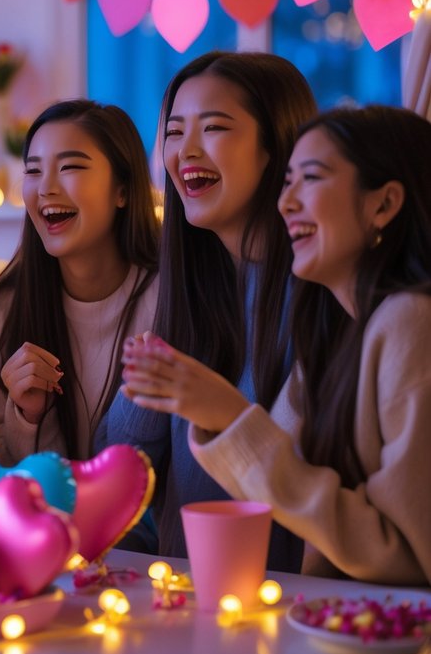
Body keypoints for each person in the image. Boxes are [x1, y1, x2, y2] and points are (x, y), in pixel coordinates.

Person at [125, 105, 431, 585]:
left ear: (384, 205)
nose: (286, 203)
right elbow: (276, 476)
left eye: (311, 179)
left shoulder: (411, 322)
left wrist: (228, 417)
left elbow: (411, 558)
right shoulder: (336, 330)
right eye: (287, 183)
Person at [104, 51, 316, 572]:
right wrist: (144, 382)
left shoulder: (322, 296)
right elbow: (122, 475)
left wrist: (219, 410)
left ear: (277, 147)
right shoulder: (192, 290)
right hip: (189, 603)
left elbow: (312, 494)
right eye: (174, 133)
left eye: (214, 127)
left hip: (292, 611)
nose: (186, 152)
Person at [0, 99, 160, 463]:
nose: (46, 188)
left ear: (122, 190)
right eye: (33, 171)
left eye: (70, 166)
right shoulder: (5, 308)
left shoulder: (168, 299)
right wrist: (29, 417)